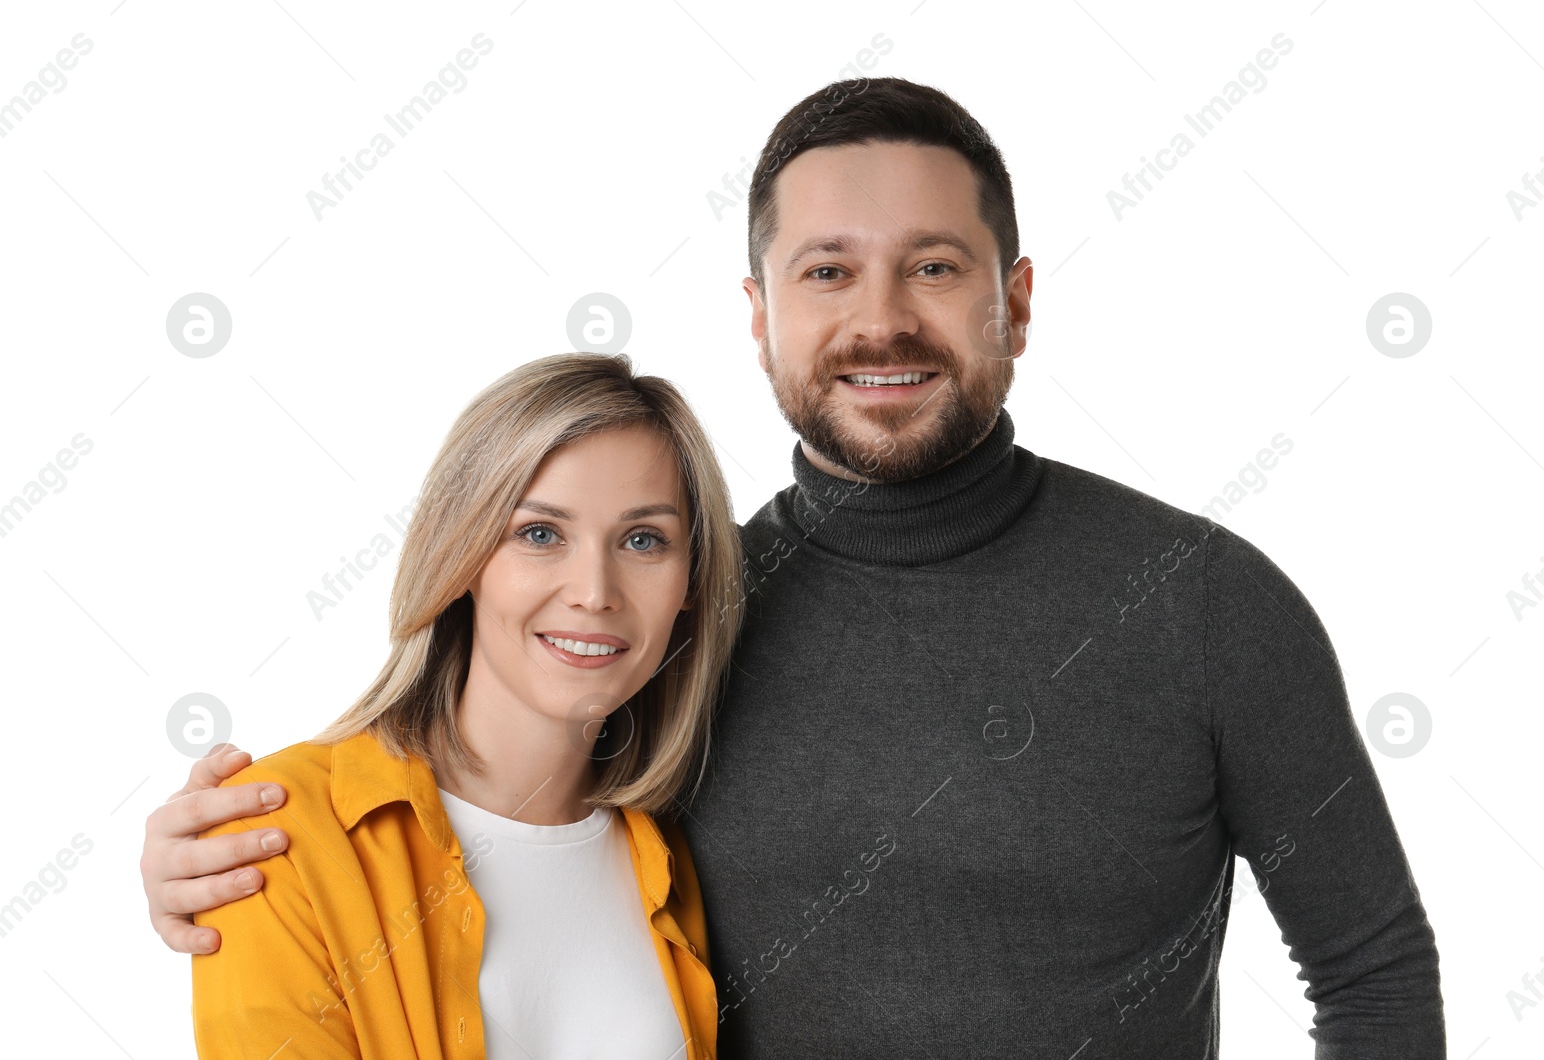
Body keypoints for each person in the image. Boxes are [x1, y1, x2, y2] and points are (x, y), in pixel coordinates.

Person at [144, 78, 1446, 1057]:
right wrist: (225, 851)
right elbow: (478, 800)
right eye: (829, 272)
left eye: (935, 268)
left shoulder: (1210, 604)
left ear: (1021, 301)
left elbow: (1374, 968)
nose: (882, 318)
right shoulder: (683, 617)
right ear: (761, 313)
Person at [184, 353, 743, 1059]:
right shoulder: (279, 830)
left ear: (690, 580)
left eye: (643, 539)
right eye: (540, 534)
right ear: (462, 555)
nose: (594, 590)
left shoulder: (670, 861)